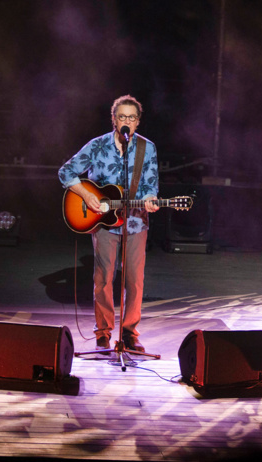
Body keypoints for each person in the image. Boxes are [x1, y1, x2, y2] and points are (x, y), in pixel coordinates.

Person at [58, 95, 159, 353]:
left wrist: (150, 199)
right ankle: (103, 332)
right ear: (114, 119)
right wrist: (86, 194)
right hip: (103, 223)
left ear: (138, 122)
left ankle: (129, 334)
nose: (127, 121)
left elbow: (149, 186)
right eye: (122, 117)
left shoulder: (147, 148)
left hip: (136, 223)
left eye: (132, 118)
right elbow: (66, 172)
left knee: (134, 280)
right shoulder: (97, 146)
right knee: (103, 278)